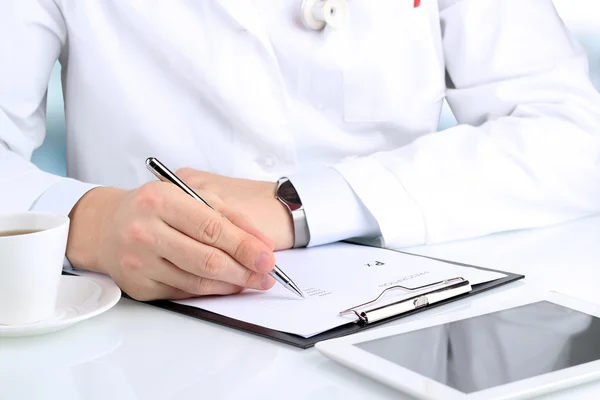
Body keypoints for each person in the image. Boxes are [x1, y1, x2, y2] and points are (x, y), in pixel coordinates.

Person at [1, 1, 599, 301]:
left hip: (405, 321)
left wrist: (305, 206)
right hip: (135, 327)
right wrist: (91, 223)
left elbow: (575, 135)